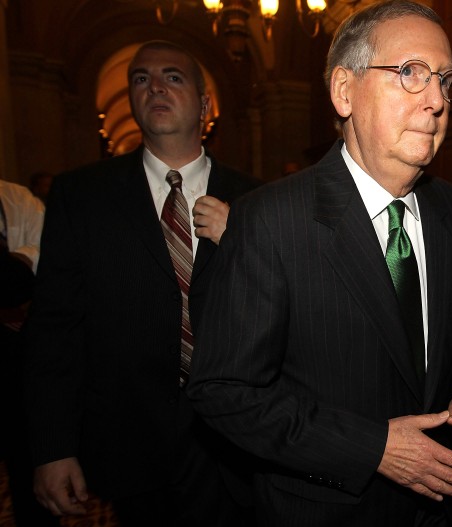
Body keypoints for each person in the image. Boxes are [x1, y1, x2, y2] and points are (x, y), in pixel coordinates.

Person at [187, 1, 452, 526]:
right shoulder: (271, 220)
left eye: (445, 79)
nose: (437, 100)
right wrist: (372, 448)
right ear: (344, 91)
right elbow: (224, 392)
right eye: (411, 73)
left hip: (438, 506)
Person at [24, 40, 260, 526]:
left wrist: (247, 244)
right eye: (140, 78)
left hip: (238, 442)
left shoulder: (257, 199)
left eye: (173, 76)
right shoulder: (82, 196)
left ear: (204, 104)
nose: (155, 86)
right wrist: (52, 448)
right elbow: (54, 330)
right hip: (130, 442)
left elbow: (285, 319)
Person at [0, 178, 55, 527]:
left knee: (27, 466)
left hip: (17, 359)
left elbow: (46, 252)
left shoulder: (16, 197)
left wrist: (21, 261)